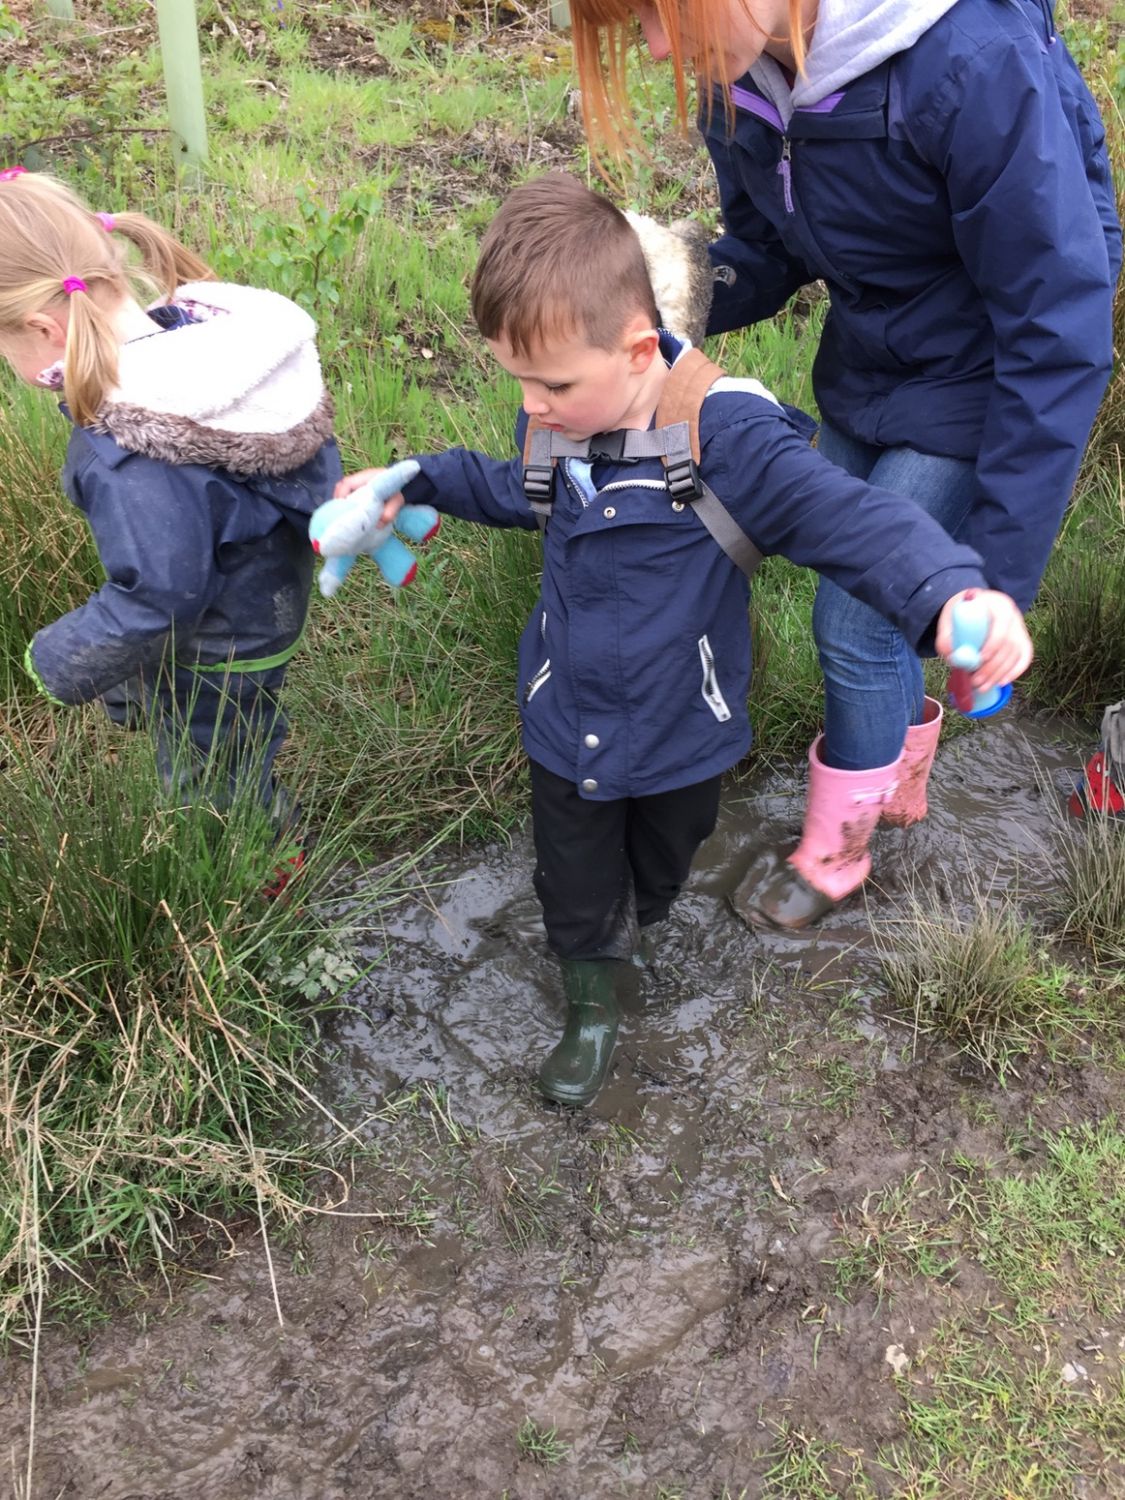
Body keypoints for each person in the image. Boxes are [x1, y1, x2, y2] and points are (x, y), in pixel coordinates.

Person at [331, 172, 1032, 1109]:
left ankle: (641, 916)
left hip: (683, 728)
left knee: (663, 861)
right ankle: (590, 999)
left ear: (635, 348)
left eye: (551, 384)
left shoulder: (727, 439)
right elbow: (512, 487)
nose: (531, 405)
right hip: (566, 717)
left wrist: (944, 590)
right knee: (574, 881)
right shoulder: (560, 421)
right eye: (519, 382)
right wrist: (414, 481)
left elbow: (846, 517)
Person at [567, 0, 1121, 929]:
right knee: (882, 599)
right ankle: (893, 786)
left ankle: (838, 853)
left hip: (988, 371)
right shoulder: (742, 74)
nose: (657, 48)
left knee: (857, 619)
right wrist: (668, 293)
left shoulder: (970, 63)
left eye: (659, 10)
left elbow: (1057, 323)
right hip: (872, 363)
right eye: (634, 25)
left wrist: (989, 581)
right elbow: (773, 247)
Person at [0, 168, 341, 854]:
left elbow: (161, 594)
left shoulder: (127, 452)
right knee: (233, 728)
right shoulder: (213, 358)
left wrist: (59, 659)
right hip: (264, 602)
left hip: (217, 646)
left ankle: (265, 873)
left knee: (214, 774)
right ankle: (151, 705)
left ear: (43, 328)